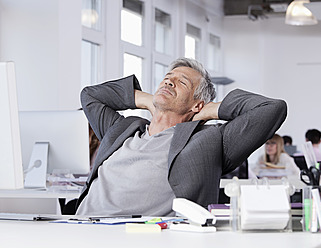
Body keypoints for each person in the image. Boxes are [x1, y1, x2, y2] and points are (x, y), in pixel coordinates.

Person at [75, 57, 287, 216]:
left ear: (197, 104)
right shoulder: (121, 130)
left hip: (138, 236)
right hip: (80, 226)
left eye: (181, 82)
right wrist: (148, 101)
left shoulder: (208, 140)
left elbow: (272, 109)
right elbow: (90, 96)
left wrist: (211, 110)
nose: (169, 83)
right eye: (167, 79)